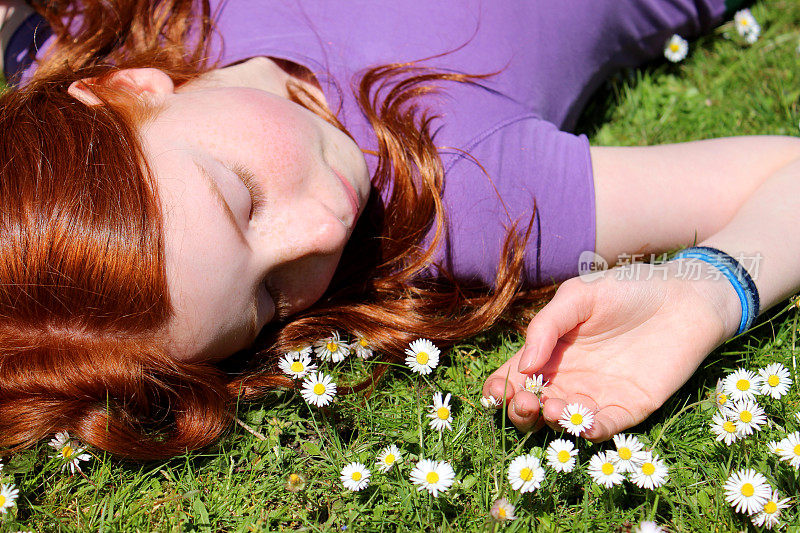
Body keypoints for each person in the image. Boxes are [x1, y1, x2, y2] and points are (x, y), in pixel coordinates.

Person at [0, 0, 797, 461]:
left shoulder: (102, 38)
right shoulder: (457, 195)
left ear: (128, 88)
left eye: (241, 197)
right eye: (273, 296)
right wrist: (709, 290)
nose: (323, 227)